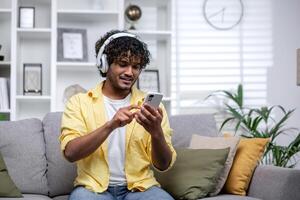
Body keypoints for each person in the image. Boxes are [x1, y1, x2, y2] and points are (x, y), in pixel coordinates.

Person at [59, 30, 177, 200]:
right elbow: (70, 153)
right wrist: (111, 125)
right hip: (93, 190)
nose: (130, 72)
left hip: (140, 189)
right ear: (105, 64)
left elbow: (163, 165)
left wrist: (156, 132)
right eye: (123, 64)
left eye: (136, 67)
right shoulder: (78, 103)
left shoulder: (152, 108)